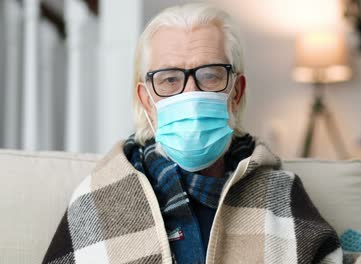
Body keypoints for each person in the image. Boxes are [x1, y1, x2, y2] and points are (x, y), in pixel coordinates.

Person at [42, 3, 345, 264]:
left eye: (209, 76)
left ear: (236, 93)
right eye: (170, 79)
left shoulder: (279, 192)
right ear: (147, 99)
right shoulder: (100, 196)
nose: (190, 93)